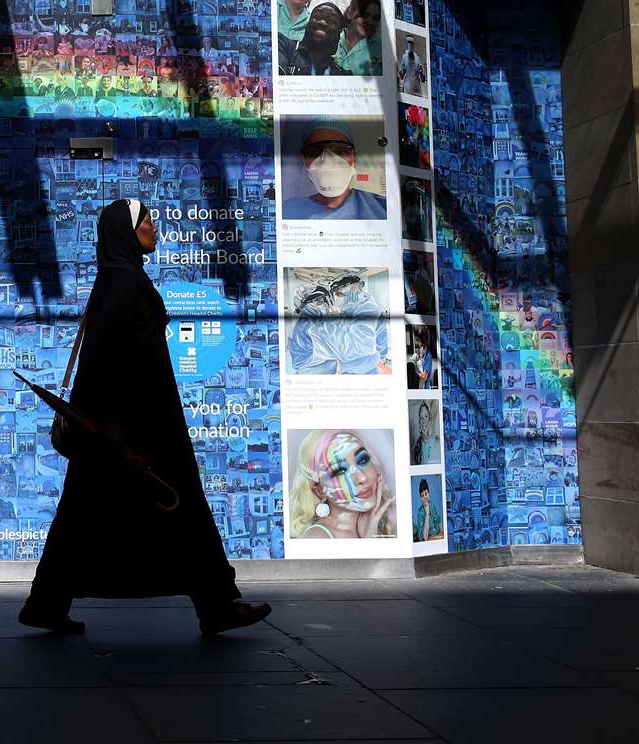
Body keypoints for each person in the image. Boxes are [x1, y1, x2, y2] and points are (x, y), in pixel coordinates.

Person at [21, 200, 271, 636]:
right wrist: (118, 425)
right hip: (139, 426)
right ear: (125, 231)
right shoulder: (124, 285)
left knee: (82, 514)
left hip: (121, 426)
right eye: (146, 221)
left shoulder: (118, 280)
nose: (155, 228)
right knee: (182, 506)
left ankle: (47, 602)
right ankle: (216, 604)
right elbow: (112, 361)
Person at [288, 429, 397, 539]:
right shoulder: (317, 537)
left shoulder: (379, 525)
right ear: (319, 491)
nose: (362, 478)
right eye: (340, 471)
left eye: (363, 460)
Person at [282, 117, 388, 220]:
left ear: (354, 159)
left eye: (339, 151)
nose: (327, 160)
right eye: (315, 152)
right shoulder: (287, 211)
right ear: (305, 161)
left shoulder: (382, 209)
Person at [278, 2, 348, 76]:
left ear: (339, 32)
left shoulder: (344, 75)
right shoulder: (283, 45)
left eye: (331, 20)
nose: (322, 22)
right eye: (317, 17)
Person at [334, 0, 383, 76]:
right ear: (350, 13)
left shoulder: (382, 46)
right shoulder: (334, 35)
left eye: (375, 18)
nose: (370, 22)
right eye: (364, 15)